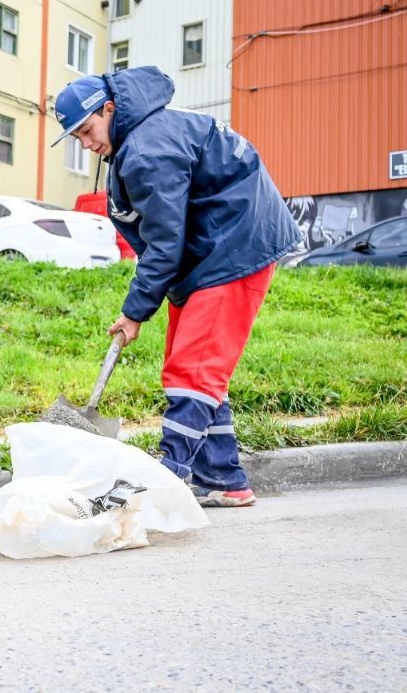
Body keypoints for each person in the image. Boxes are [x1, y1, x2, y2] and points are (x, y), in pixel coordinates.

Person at [52, 66, 299, 507]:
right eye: (77, 138)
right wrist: (139, 307)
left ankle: (169, 481)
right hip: (207, 252)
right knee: (192, 367)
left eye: (87, 130)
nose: (86, 144)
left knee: (194, 369)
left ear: (109, 109)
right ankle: (223, 479)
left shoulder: (147, 149)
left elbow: (164, 242)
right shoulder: (139, 140)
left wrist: (135, 312)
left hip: (233, 247)